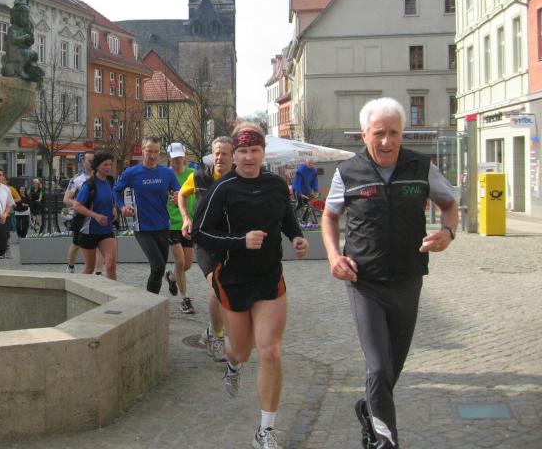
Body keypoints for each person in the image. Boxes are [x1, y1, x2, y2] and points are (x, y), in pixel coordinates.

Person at [321, 98, 458, 449]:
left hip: (408, 280)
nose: (386, 141)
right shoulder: (348, 172)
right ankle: (385, 441)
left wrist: (448, 232)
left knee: (391, 369)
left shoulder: (420, 166)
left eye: (394, 133)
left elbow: (449, 204)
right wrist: (334, 255)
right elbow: (330, 216)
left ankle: (368, 408)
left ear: (402, 133)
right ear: (364, 134)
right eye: (378, 133)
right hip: (364, 282)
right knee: (379, 368)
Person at [192, 122, 308, 449]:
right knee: (241, 350)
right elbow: (199, 233)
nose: (248, 157)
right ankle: (232, 364)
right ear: (234, 154)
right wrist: (239, 241)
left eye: (254, 150)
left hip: (269, 278)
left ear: (263, 152)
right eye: (242, 151)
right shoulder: (223, 188)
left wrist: (297, 237)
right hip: (234, 280)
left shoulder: (275, 184)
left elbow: (286, 217)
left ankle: (265, 431)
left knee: (270, 350)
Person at [179, 135, 234, 361]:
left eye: (224, 154)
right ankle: (217, 338)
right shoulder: (199, 176)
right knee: (218, 287)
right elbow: (182, 195)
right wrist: (186, 218)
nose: (219, 157)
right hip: (203, 240)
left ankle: (211, 332)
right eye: (216, 153)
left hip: (229, 241)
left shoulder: (239, 179)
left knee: (228, 290)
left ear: (233, 156)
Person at [113, 136, 180, 294]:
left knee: (160, 266)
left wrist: (178, 197)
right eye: (149, 151)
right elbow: (116, 190)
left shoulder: (167, 173)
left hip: (162, 226)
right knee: (158, 266)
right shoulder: (132, 173)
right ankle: (151, 301)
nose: (153, 155)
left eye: (156, 152)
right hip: (142, 227)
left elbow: (178, 192)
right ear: (142, 150)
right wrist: (122, 207)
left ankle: (160, 287)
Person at [72, 151, 118, 280]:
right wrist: (95, 216)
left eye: (110, 164)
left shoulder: (110, 181)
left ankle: (113, 290)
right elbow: (76, 206)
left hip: (106, 230)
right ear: (97, 166)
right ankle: (79, 289)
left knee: (111, 266)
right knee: (90, 268)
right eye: (105, 164)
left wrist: (114, 208)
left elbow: (110, 199)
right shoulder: (89, 184)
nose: (108, 167)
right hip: (88, 231)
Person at [164, 142, 196, 314]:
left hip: (188, 222)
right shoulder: (165, 175)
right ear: (169, 158)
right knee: (180, 261)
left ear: (185, 157)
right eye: (174, 158)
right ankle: (185, 300)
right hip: (171, 223)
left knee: (187, 264)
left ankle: (171, 277)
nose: (177, 160)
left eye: (180, 157)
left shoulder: (192, 174)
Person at [63, 151, 94, 273]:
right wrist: (79, 205)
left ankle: (97, 271)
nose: (92, 163)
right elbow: (66, 199)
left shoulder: (101, 176)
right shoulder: (77, 179)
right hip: (81, 216)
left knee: (98, 243)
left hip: (98, 214)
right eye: (89, 160)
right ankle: (70, 266)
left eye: (94, 160)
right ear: (83, 161)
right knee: (77, 243)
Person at [292, 158, 319, 223]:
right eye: (309, 163)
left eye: (312, 163)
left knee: (308, 206)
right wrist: (300, 193)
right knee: (300, 205)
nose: (311, 164)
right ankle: (292, 218)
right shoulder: (300, 170)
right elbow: (297, 183)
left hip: (307, 190)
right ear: (306, 163)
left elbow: (315, 181)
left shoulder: (313, 171)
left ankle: (304, 221)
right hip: (298, 189)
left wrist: (316, 190)